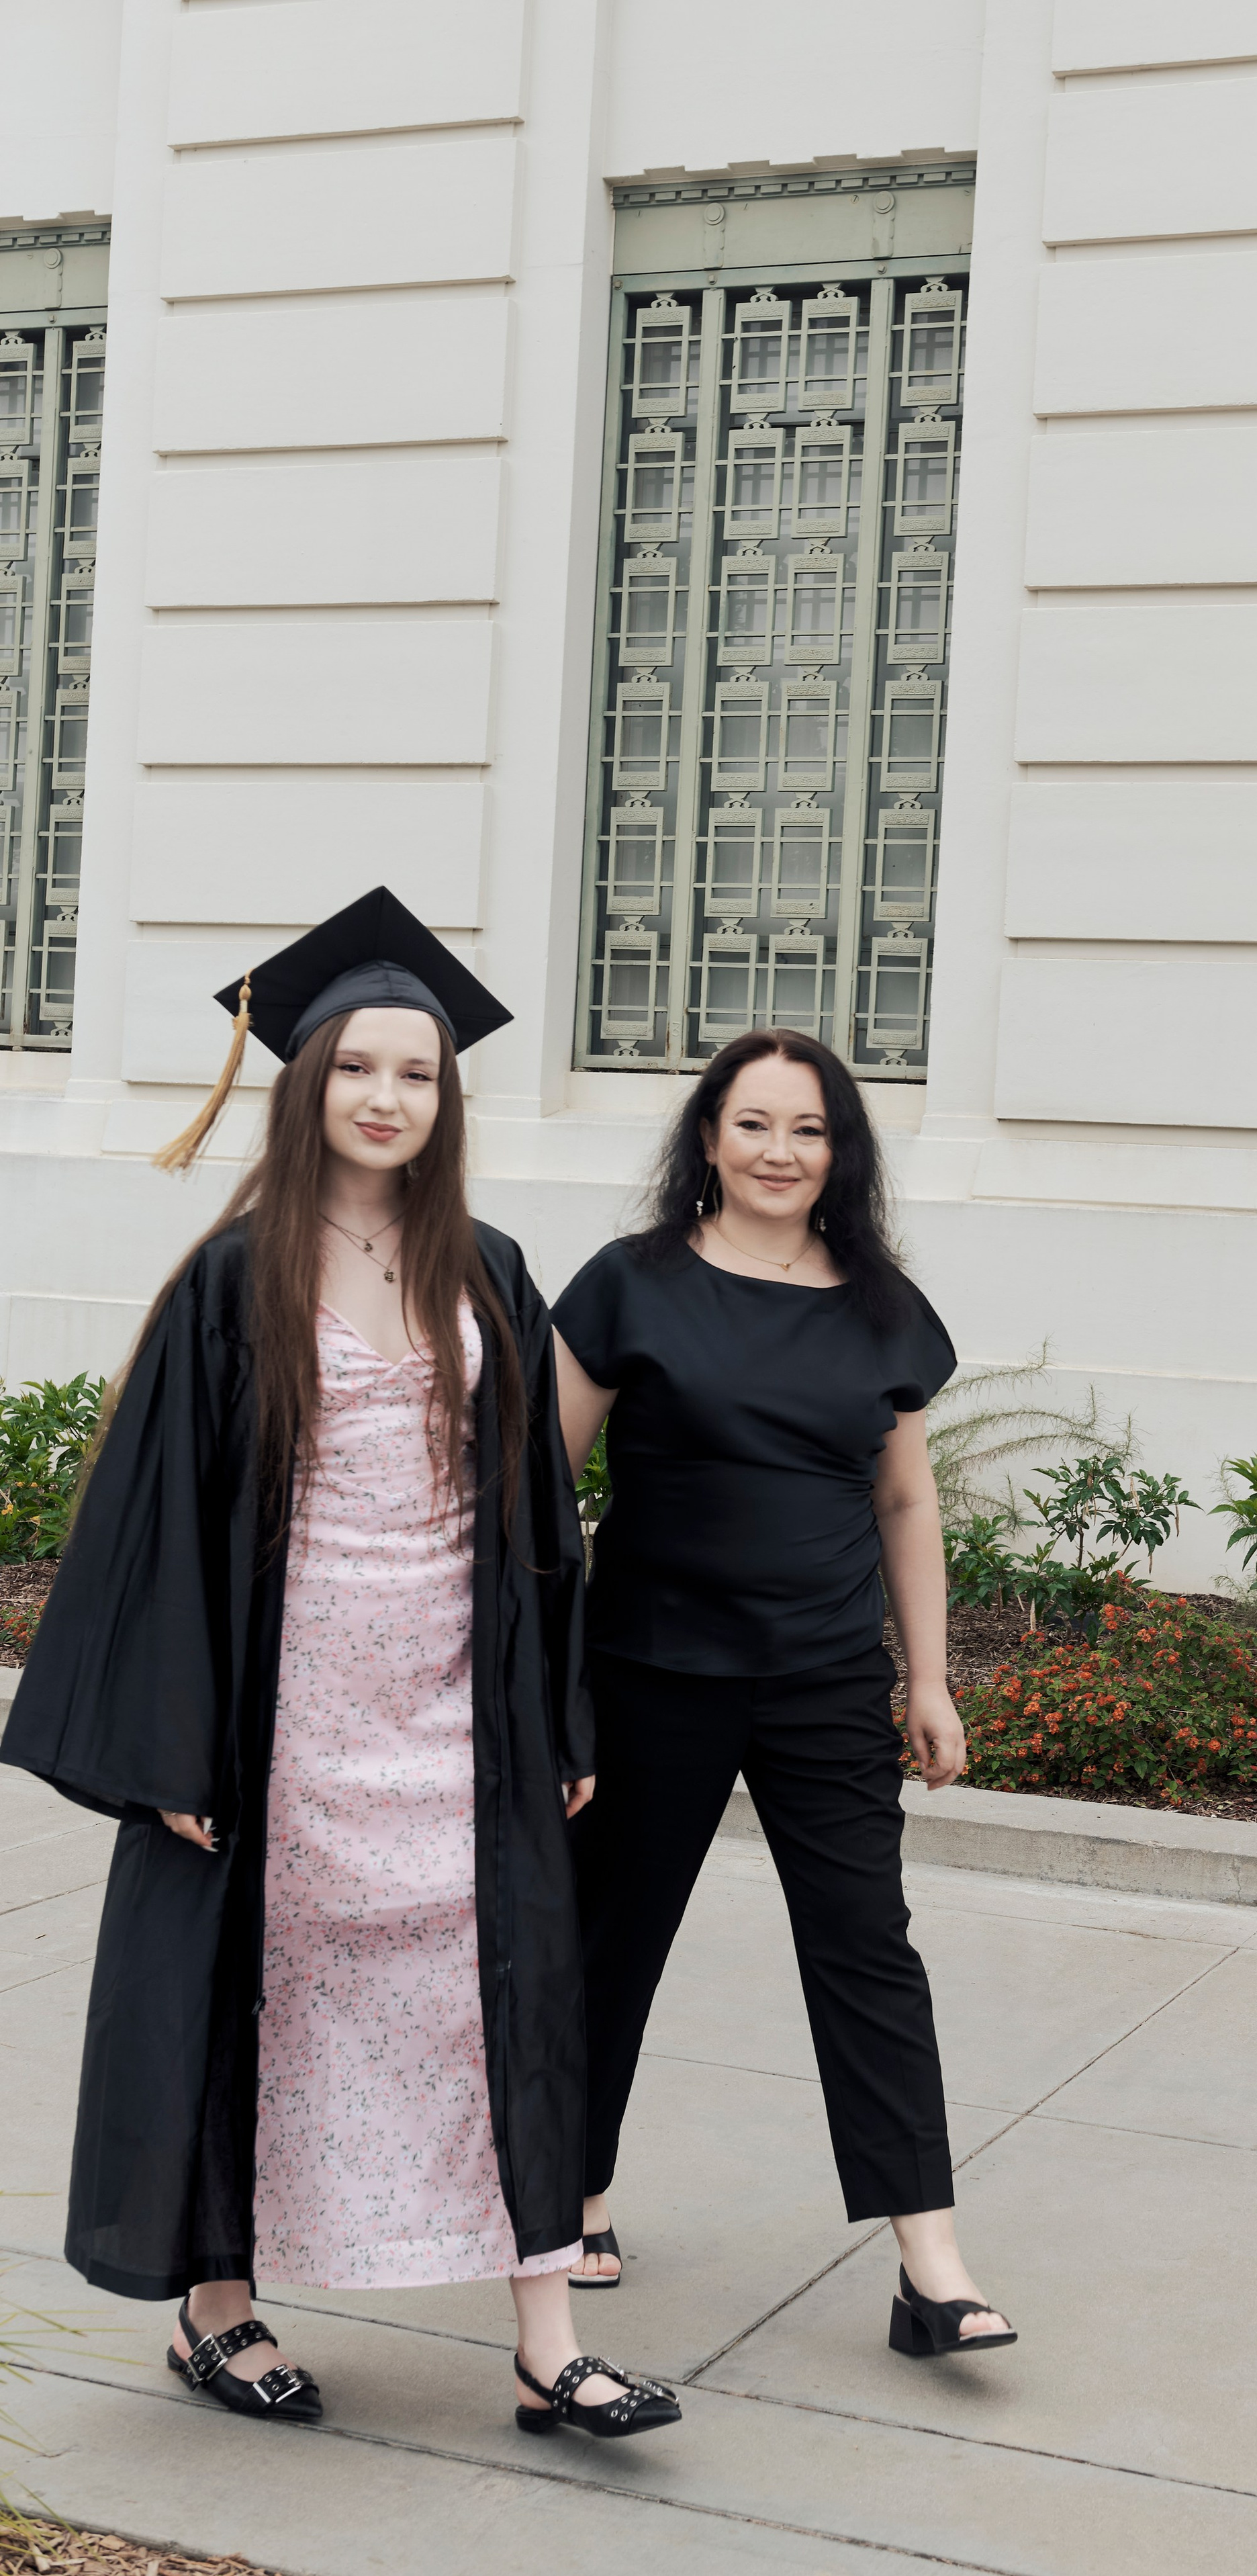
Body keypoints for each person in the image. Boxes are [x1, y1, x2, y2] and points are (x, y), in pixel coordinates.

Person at [0, 888, 678, 2443]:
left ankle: (546, 2339)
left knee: (501, 2000)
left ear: (446, 1101)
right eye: (358, 1067)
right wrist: (173, 1748)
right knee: (258, 2005)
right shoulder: (236, 1279)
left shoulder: (492, 1269)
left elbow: (541, 1518)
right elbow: (152, 1528)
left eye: (418, 1072)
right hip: (281, 1712)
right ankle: (218, 2311)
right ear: (307, 1085)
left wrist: (558, 1706)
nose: (388, 1095)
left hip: (458, 1705)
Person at [550, 1027, 1015, 2359]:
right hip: (645, 1673)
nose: (776, 1150)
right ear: (707, 1137)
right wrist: (538, 1682)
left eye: (805, 1129)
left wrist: (926, 1678)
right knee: (610, 1940)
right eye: (752, 1124)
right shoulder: (626, 1288)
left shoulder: (880, 1307)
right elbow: (541, 1485)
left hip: (820, 1680)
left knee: (869, 1946)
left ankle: (928, 2258)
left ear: (838, 1152)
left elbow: (906, 1497)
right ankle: (574, 2193)